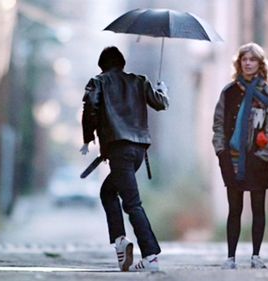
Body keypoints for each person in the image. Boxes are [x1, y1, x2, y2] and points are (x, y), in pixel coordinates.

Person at [80, 46, 169, 272]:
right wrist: (163, 91)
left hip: (119, 149)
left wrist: (88, 137)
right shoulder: (139, 81)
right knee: (108, 192)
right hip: (138, 151)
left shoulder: (98, 81)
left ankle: (150, 256)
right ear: (122, 63)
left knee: (132, 203)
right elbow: (160, 103)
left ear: (102, 65)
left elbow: (90, 106)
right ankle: (121, 241)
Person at [212, 43, 268, 269]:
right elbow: (219, 123)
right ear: (239, 63)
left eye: (253, 60)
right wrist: (220, 151)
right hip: (232, 157)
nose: (248, 63)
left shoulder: (267, 91)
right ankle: (230, 257)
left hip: (257, 157)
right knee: (235, 208)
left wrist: (264, 153)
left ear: (260, 64)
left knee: (258, 206)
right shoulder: (229, 91)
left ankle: (256, 255)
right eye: (244, 59)